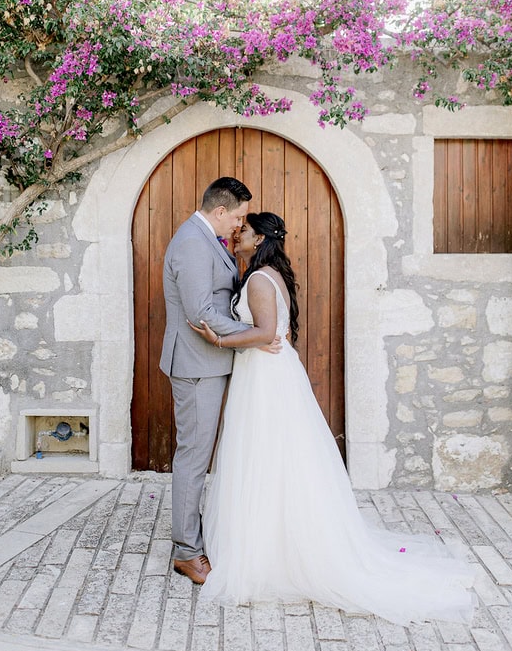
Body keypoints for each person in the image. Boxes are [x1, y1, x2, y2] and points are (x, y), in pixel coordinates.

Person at [189, 212, 476, 625]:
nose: (238, 235)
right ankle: (269, 539)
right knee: (276, 457)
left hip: (265, 378)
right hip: (270, 373)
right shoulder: (268, 274)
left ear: (261, 239)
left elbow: (267, 332)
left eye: (245, 232)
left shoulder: (257, 280)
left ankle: (267, 550)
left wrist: (220, 338)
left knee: (264, 454)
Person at [159, 176, 254, 586]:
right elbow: (200, 313)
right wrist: (254, 335)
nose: (239, 224)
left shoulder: (207, 238)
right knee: (194, 457)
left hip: (212, 361)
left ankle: (195, 538)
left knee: (200, 455)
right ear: (219, 211)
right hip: (197, 364)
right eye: (237, 216)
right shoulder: (193, 244)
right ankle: (186, 551)